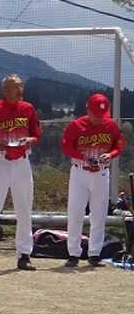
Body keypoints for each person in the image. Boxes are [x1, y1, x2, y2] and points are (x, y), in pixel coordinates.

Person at [0, 74, 41, 271]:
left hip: (21, 162)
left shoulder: (28, 108)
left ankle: (24, 254)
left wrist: (30, 140)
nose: (20, 89)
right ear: (5, 90)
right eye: (15, 86)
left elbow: (36, 133)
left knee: (24, 210)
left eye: (21, 86)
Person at [61, 93, 125, 268]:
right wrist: (82, 156)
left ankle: (94, 254)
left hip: (101, 174)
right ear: (88, 110)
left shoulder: (110, 125)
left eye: (102, 114)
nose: (99, 118)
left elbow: (119, 144)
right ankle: (73, 254)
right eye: (96, 114)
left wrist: (110, 154)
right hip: (79, 172)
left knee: (99, 215)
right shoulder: (76, 125)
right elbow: (66, 146)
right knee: (75, 213)